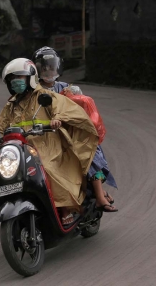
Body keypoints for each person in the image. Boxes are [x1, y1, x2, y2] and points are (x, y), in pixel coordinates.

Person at [0, 58, 101, 226]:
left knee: (48, 169)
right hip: (21, 148)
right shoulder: (11, 104)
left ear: (29, 77)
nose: (15, 81)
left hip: (47, 145)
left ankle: (65, 208)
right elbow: (1, 124)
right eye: (12, 79)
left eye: (19, 77)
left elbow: (61, 107)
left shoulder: (45, 96)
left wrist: (57, 119)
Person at [32, 46, 118, 212]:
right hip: (45, 136)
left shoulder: (69, 89)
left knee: (91, 155)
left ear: (58, 67)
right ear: (36, 70)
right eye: (44, 67)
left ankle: (99, 196)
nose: (48, 70)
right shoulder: (33, 93)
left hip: (71, 134)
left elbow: (83, 111)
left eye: (51, 66)